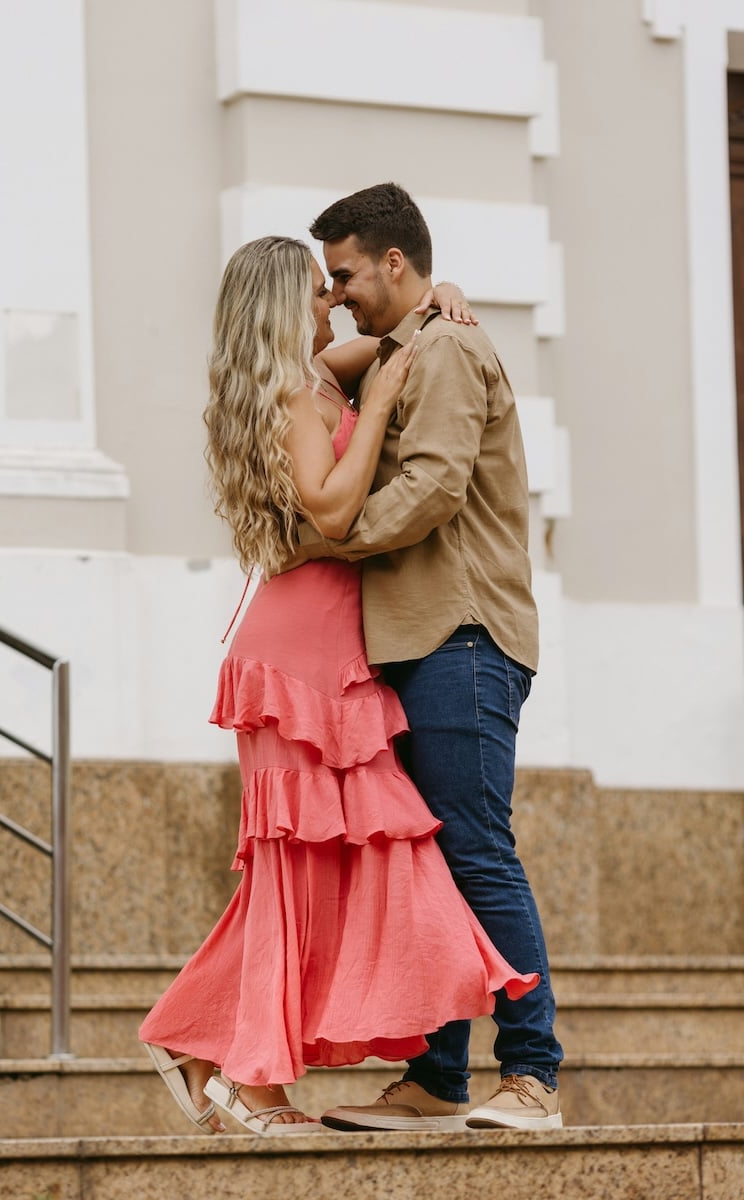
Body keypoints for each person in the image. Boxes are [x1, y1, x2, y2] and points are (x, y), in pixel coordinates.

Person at [138, 235, 539, 1136]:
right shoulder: (290, 394)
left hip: (327, 647)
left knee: (315, 865)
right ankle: (251, 1079)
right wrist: (390, 398)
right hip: (301, 654)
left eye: (339, 287)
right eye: (321, 293)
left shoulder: (318, 371)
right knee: (301, 867)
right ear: (288, 303)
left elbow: (410, 330)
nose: (336, 305)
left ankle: (204, 1040)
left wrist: (447, 297)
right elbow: (332, 509)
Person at [284, 183, 564, 1133]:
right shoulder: (409, 345)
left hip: (464, 634)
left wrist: (334, 540)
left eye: (348, 274)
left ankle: (532, 1076)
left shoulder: (442, 347)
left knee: (476, 854)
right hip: (416, 638)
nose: (340, 293)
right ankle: (439, 1078)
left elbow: (437, 484)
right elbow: (307, 365)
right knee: (428, 866)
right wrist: (327, 312)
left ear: (395, 262)